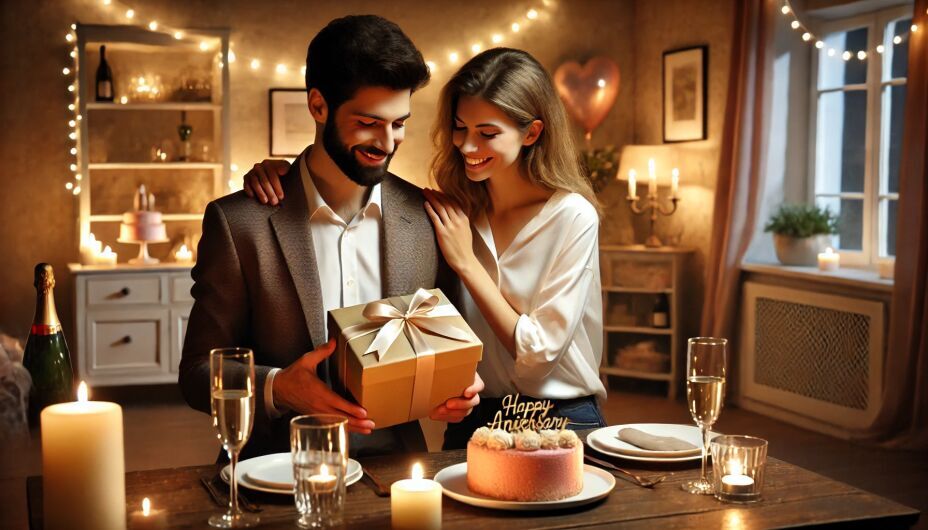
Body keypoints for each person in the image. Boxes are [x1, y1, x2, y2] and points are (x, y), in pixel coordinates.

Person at [245, 47, 607, 450]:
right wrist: (286, 175)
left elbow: (540, 354)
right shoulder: (452, 210)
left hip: (562, 418)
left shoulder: (573, 217)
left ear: (532, 133)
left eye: (487, 133)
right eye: (460, 128)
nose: (468, 147)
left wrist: (467, 262)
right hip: (477, 421)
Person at [179, 15, 482, 461]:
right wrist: (279, 388)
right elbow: (197, 373)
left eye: (399, 123)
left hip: (398, 475)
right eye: (368, 122)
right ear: (318, 106)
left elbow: (451, 346)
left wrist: (461, 386)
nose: (387, 142)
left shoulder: (429, 219)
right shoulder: (239, 223)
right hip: (273, 473)